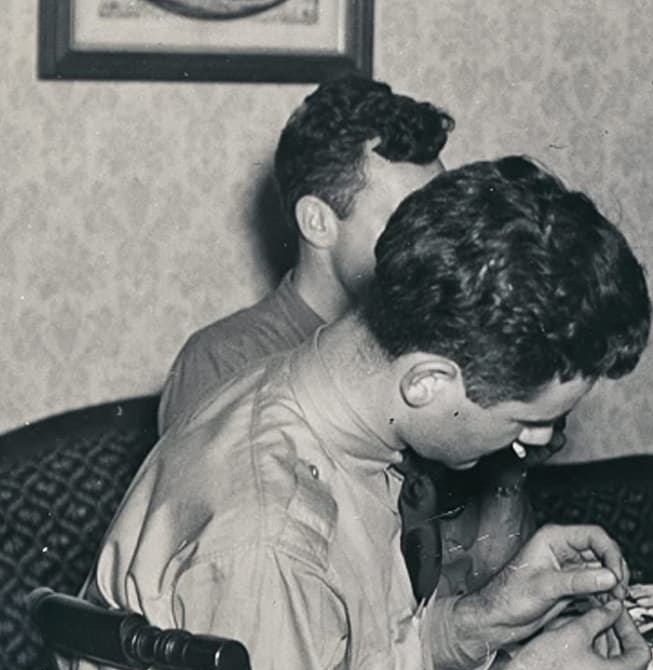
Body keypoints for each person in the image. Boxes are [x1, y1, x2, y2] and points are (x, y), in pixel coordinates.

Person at [73, 157, 653, 670]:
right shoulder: (272, 536)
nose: (535, 441)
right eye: (527, 420)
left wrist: (473, 624)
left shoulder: (322, 409)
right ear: (426, 383)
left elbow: (342, 655)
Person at [155, 75, 530, 601]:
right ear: (317, 222)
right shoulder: (225, 361)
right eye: (411, 220)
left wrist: (508, 457)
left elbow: (482, 572)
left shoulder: (437, 360)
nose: (442, 246)